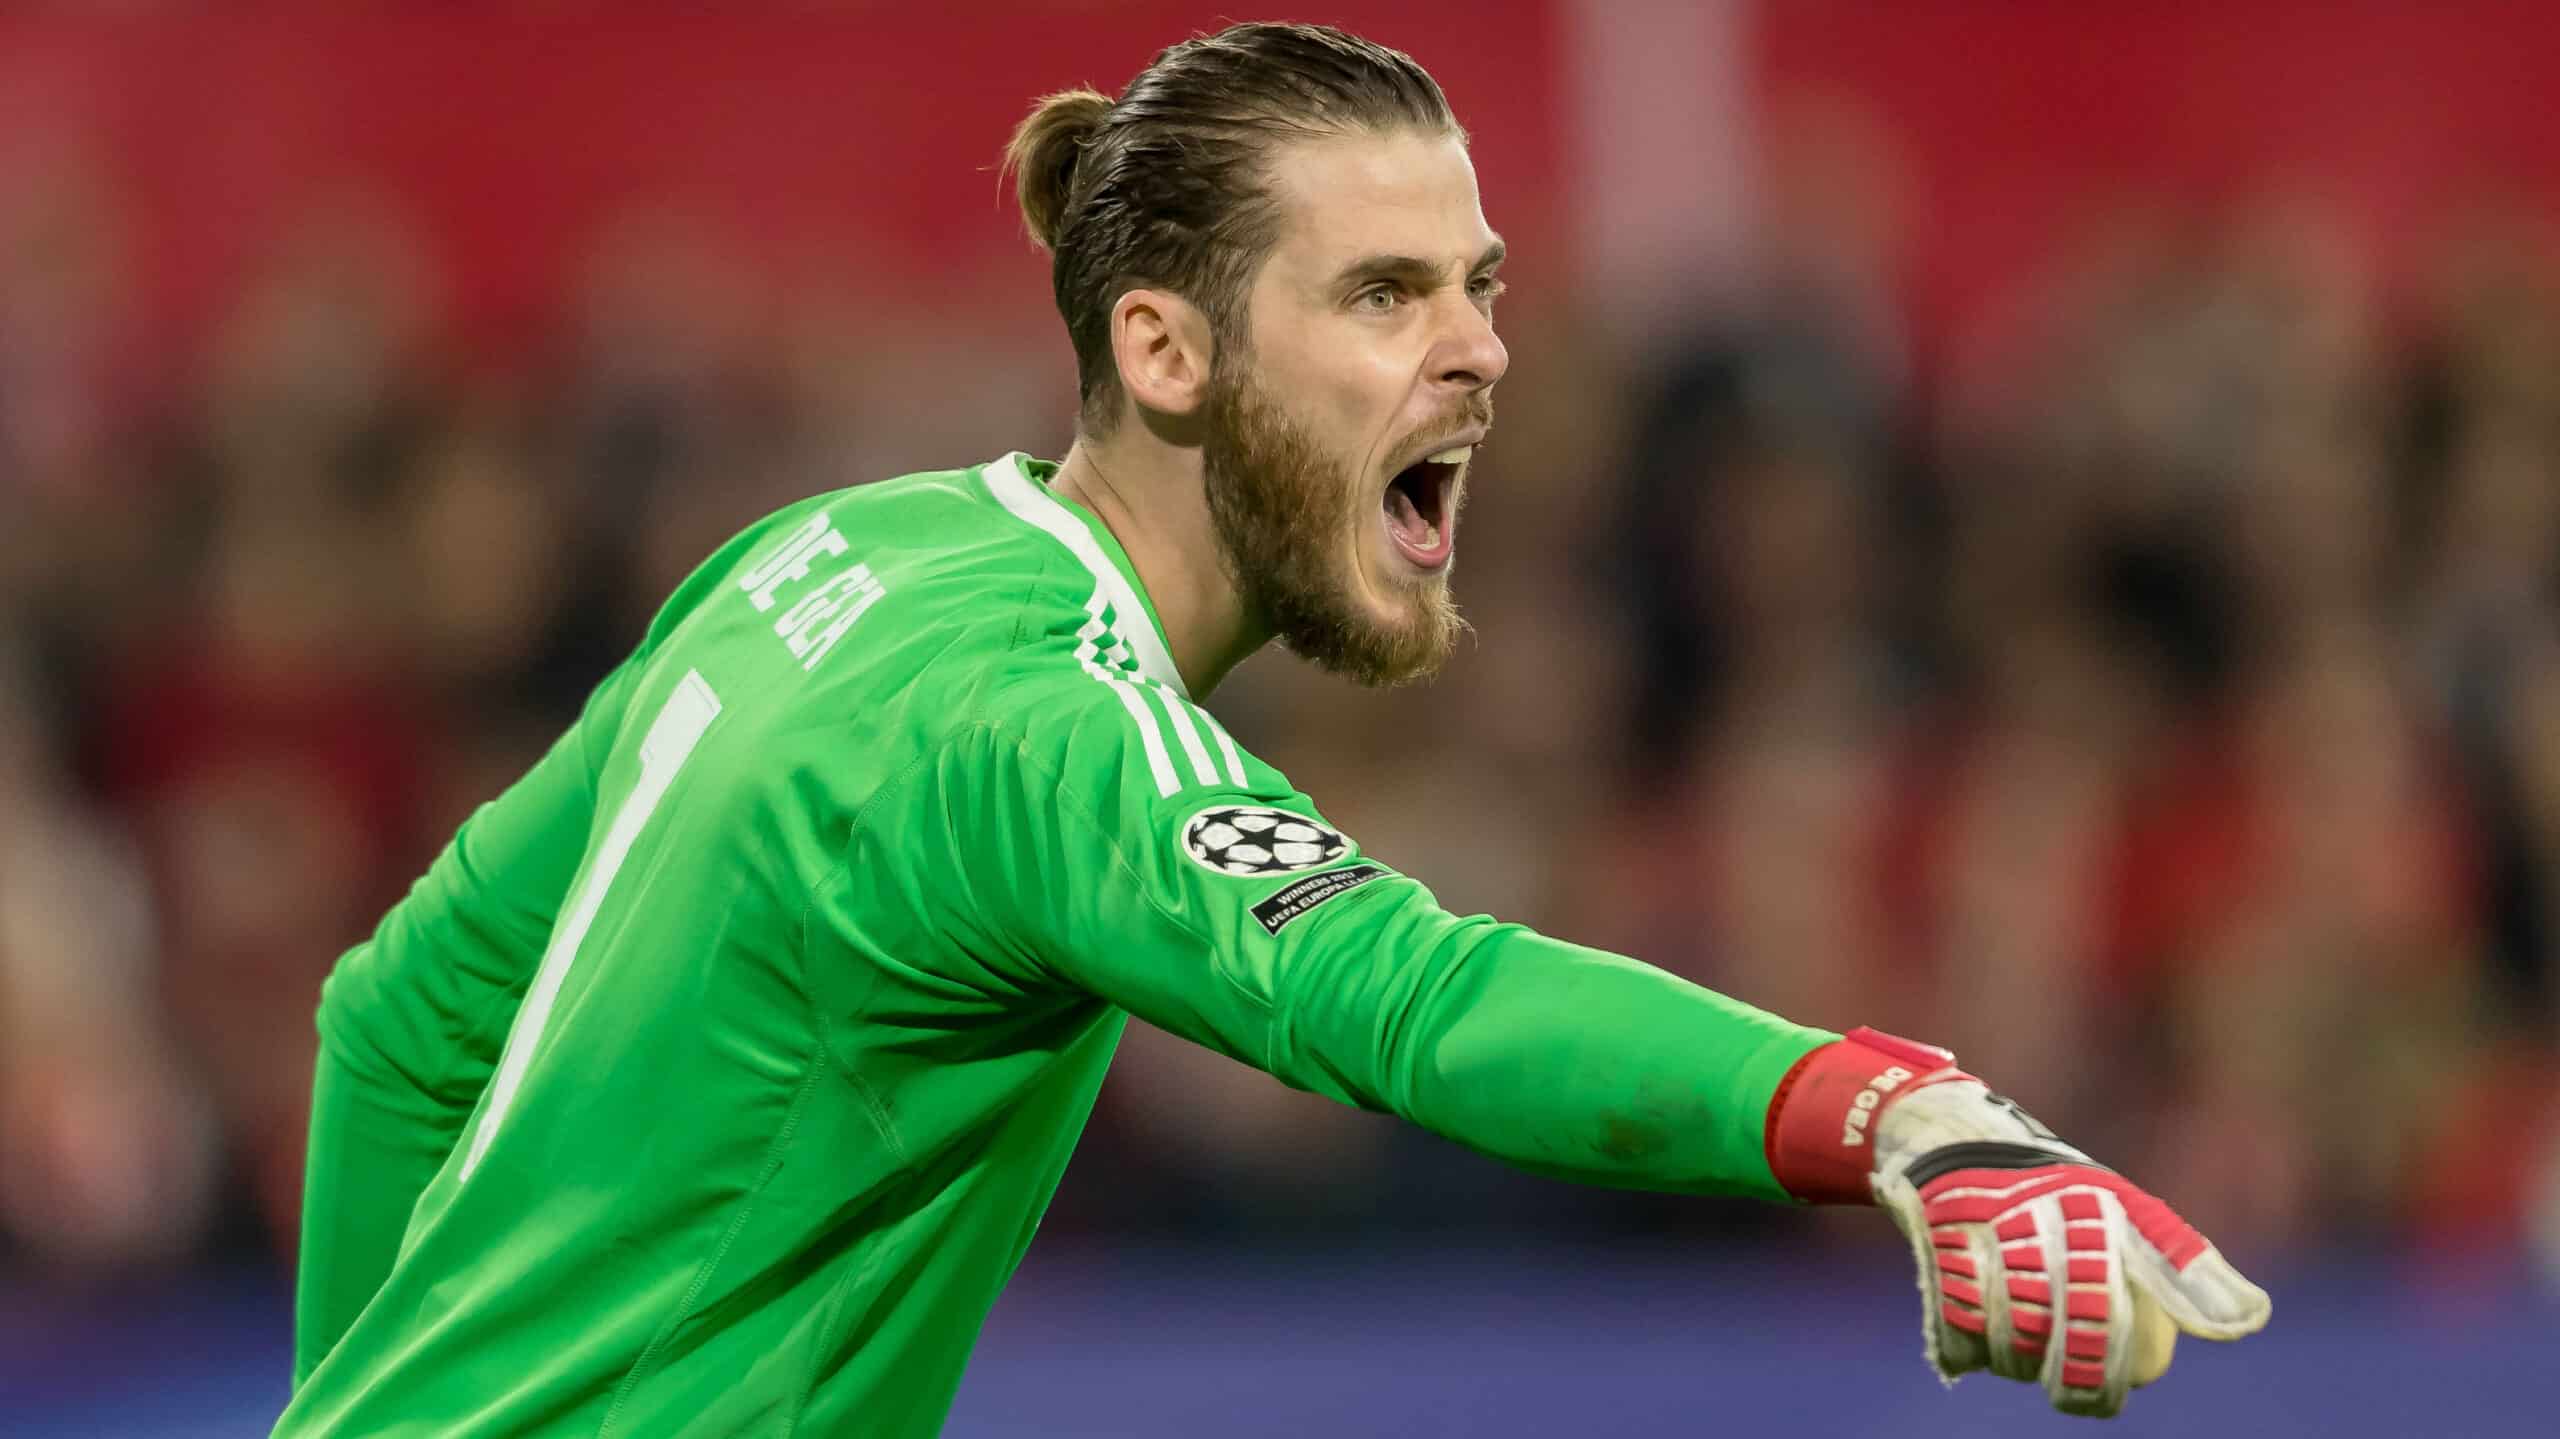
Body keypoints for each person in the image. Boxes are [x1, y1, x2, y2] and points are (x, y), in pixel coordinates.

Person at [275, 23, 2267, 1436]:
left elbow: (401, 1022)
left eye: (1477, 287)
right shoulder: (1035, 723)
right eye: (1382, 296)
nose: (1479, 349)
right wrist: (1896, 1111)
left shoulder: (830, 555)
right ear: (1167, 351)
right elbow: (1405, 996)